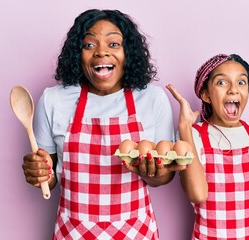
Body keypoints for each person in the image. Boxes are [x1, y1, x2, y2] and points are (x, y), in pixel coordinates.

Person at [22, 9, 186, 240]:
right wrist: (39, 173)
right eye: (89, 45)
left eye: (114, 44)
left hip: (135, 230)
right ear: (77, 53)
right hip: (74, 231)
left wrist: (155, 173)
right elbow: (49, 176)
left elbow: (163, 178)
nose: (101, 52)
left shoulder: (152, 98)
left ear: (128, 52)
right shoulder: (53, 100)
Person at [167, 53, 249, 239]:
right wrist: (185, 127)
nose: (234, 90)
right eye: (222, 82)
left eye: (241, 83)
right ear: (206, 95)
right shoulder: (193, 135)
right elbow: (197, 195)